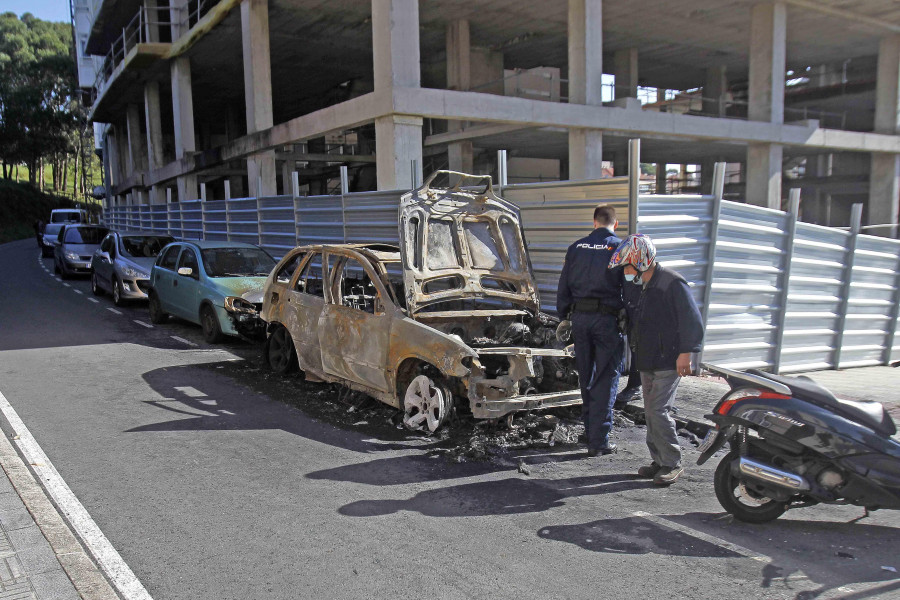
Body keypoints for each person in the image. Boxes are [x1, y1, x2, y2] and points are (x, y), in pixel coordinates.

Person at [608, 234, 703, 485]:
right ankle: (659, 461)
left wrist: (688, 353)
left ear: (641, 261)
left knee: (658, 411)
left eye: (627, 265)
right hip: (647, 359)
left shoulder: (672, 283)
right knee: (651, 413)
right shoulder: (641, 285)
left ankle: (672, 463)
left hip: (668, 360)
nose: (625, 271)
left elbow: (692, 321)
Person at [557, 204, 624, 457]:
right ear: (614, 224)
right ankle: (599, 440)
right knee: (606, 377)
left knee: (586, 375)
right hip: (607, 321)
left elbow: (564, 284)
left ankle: (588, 431)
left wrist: (564, 315)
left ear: (594, 222)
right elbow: (627, 288)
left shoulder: (576, 248)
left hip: (581, 320)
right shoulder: (619, 248)